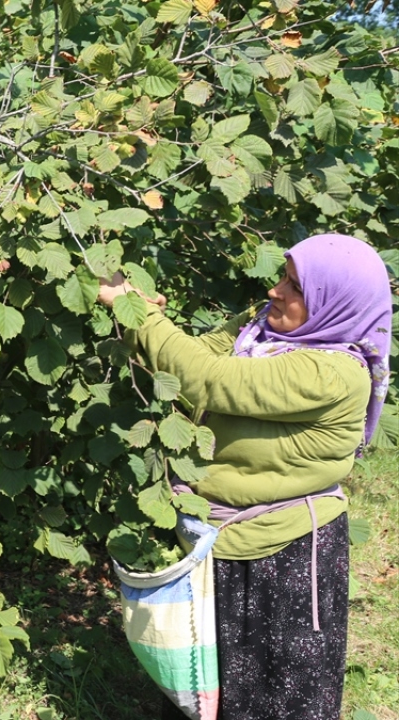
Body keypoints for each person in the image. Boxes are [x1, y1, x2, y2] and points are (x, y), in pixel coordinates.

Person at [98, 234, 392, 720]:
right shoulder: (262, 333)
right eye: (282, 276)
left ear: (333, 302)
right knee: (217, 688)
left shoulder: (332, 373)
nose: (275, 291)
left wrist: (134, 306)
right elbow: (192, 354)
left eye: (295, 286)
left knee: (278, 694)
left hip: (287, 553)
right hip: (224, 541)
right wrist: (140, 317)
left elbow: (208, 380)